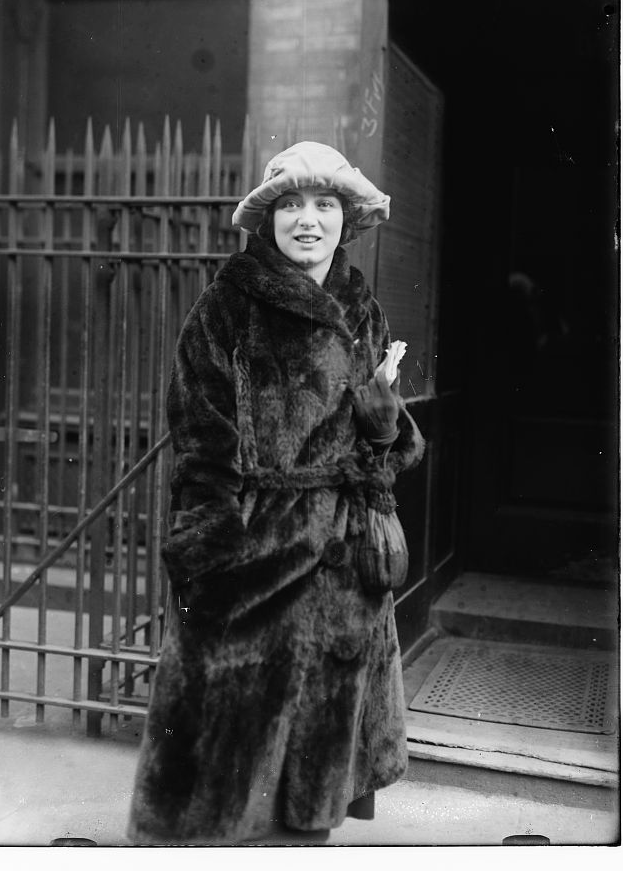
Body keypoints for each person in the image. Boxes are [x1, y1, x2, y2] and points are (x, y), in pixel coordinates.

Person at [127, 141, 426, 845]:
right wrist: (212, 559)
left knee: (313, 779)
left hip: (345, 563)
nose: (308, 220)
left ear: (347, 219)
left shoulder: (362, 306)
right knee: (220, 775)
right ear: (267, 221)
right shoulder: (226, 308)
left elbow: (386, 439)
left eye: (324, 204)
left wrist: (385, 423)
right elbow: (200, 442)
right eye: (290, 205)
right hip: (258, 553)